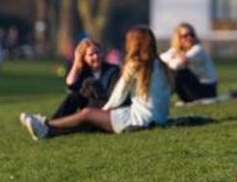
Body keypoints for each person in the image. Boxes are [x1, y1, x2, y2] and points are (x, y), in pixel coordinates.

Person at [20, 26, 170, 140]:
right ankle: (45, 128)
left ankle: (46, 125)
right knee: (83, 109)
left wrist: (102, 112)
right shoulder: (160, 64)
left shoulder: (134, 63)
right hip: (159, 118)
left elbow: (118, 95)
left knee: (87, 114)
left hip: (138, 120)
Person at [33, 38, 121, 129]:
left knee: (90, 83)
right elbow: (70, 85)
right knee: (73, 96)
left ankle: (49, 125)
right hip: (87, 106)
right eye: (91, 55)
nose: (96, 57)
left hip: (105, 107)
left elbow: (113, 95)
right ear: (84, 58)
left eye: (98, 53)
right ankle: (51, 123)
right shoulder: (83, 71)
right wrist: (76, 62)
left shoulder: (113, 70)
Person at [160, 23, 218, 102]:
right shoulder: (175, 50)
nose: (189, 38)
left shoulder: (198, 49)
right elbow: (161, 58)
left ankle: (160, 97)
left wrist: (172, 60)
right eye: (185, 36)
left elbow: (177, 65)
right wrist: (174, 56)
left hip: (206, 90)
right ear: (178, 38)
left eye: (192, 35)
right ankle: (160, 96)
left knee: (176, 72)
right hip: (190, 90)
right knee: (167, 71)